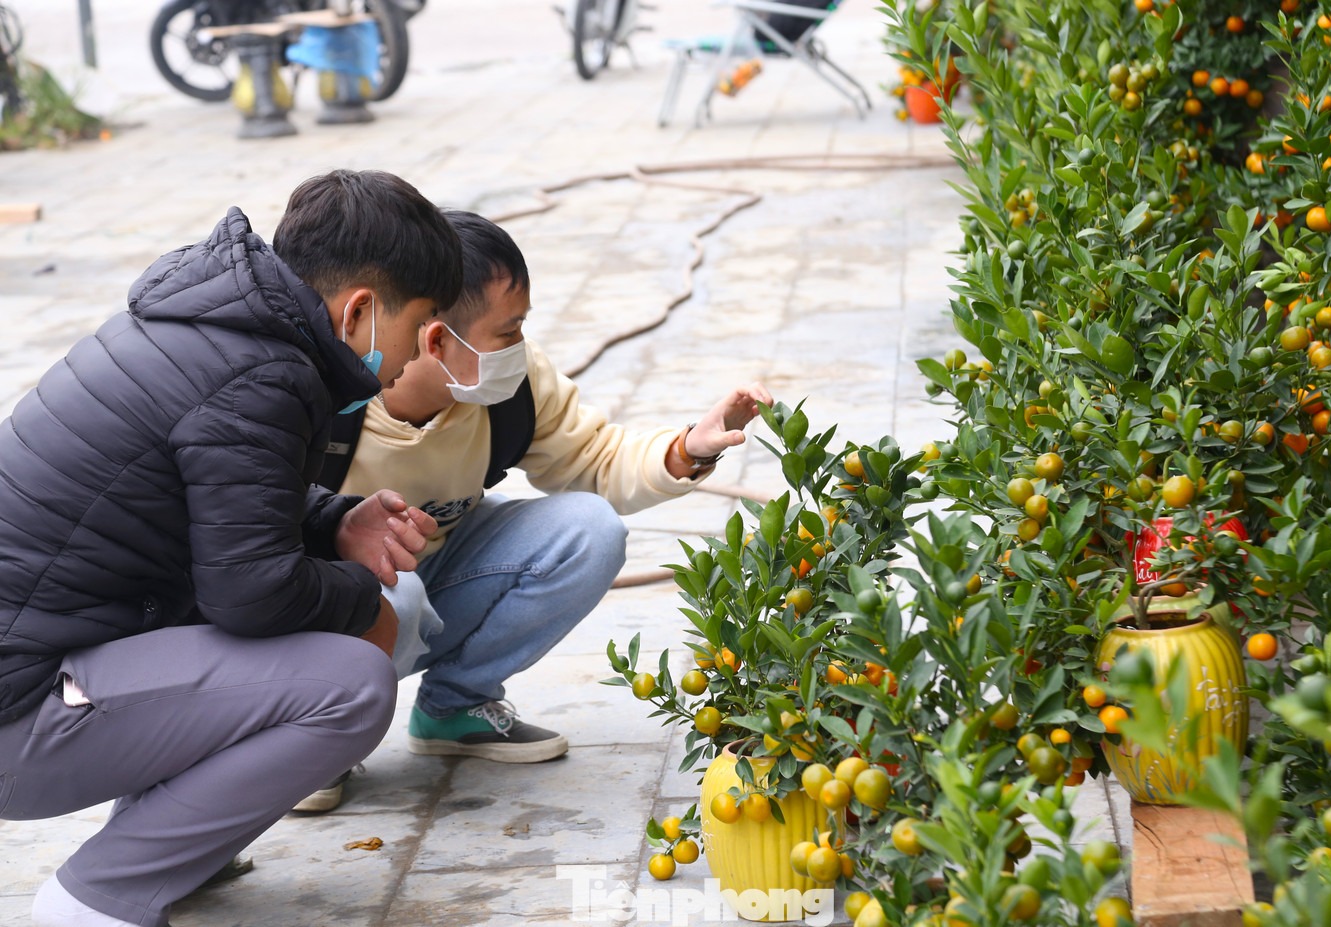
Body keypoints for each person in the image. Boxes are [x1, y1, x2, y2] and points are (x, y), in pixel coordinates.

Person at [0, 169, 462, 927]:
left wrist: (335, 522)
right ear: (360, 311)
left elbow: (216, 495)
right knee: (349, 683)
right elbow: (250, 593)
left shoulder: (214, 326)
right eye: (417, 329)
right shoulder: (261, 375)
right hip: (19, 714)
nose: (411, 358)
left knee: (310, 643)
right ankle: (98, 897)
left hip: (33, 668)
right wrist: (361, 600)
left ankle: (174, 851)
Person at [303, 210, 771, 809]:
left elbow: (597, 459)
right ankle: (318, 729)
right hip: (337, 603)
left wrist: (688, 449)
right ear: (435, 337)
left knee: (589, 530)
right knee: (395, 591)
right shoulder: (324, 401)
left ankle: (455, 707)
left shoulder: (512, 386)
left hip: (434, 572)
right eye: (509, 329)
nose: (519, 346)